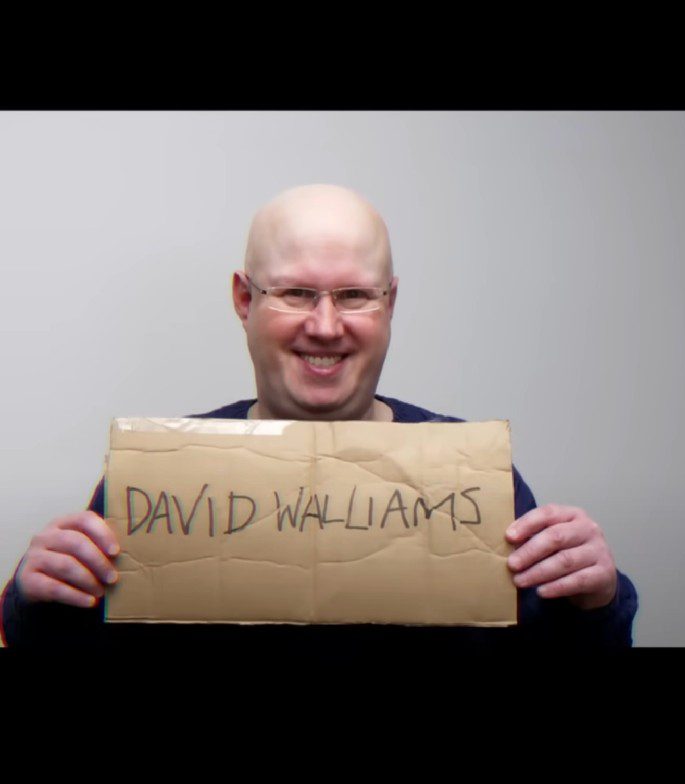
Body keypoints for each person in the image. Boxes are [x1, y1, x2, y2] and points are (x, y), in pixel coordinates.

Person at [1, 184, 637, 651]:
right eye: (297, 293)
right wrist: (35, 599)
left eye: (355, 295)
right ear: (244, 300)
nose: (326, 326)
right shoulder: (154, 482)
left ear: (391, 304)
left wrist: (598, 600)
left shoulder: (479, 485)